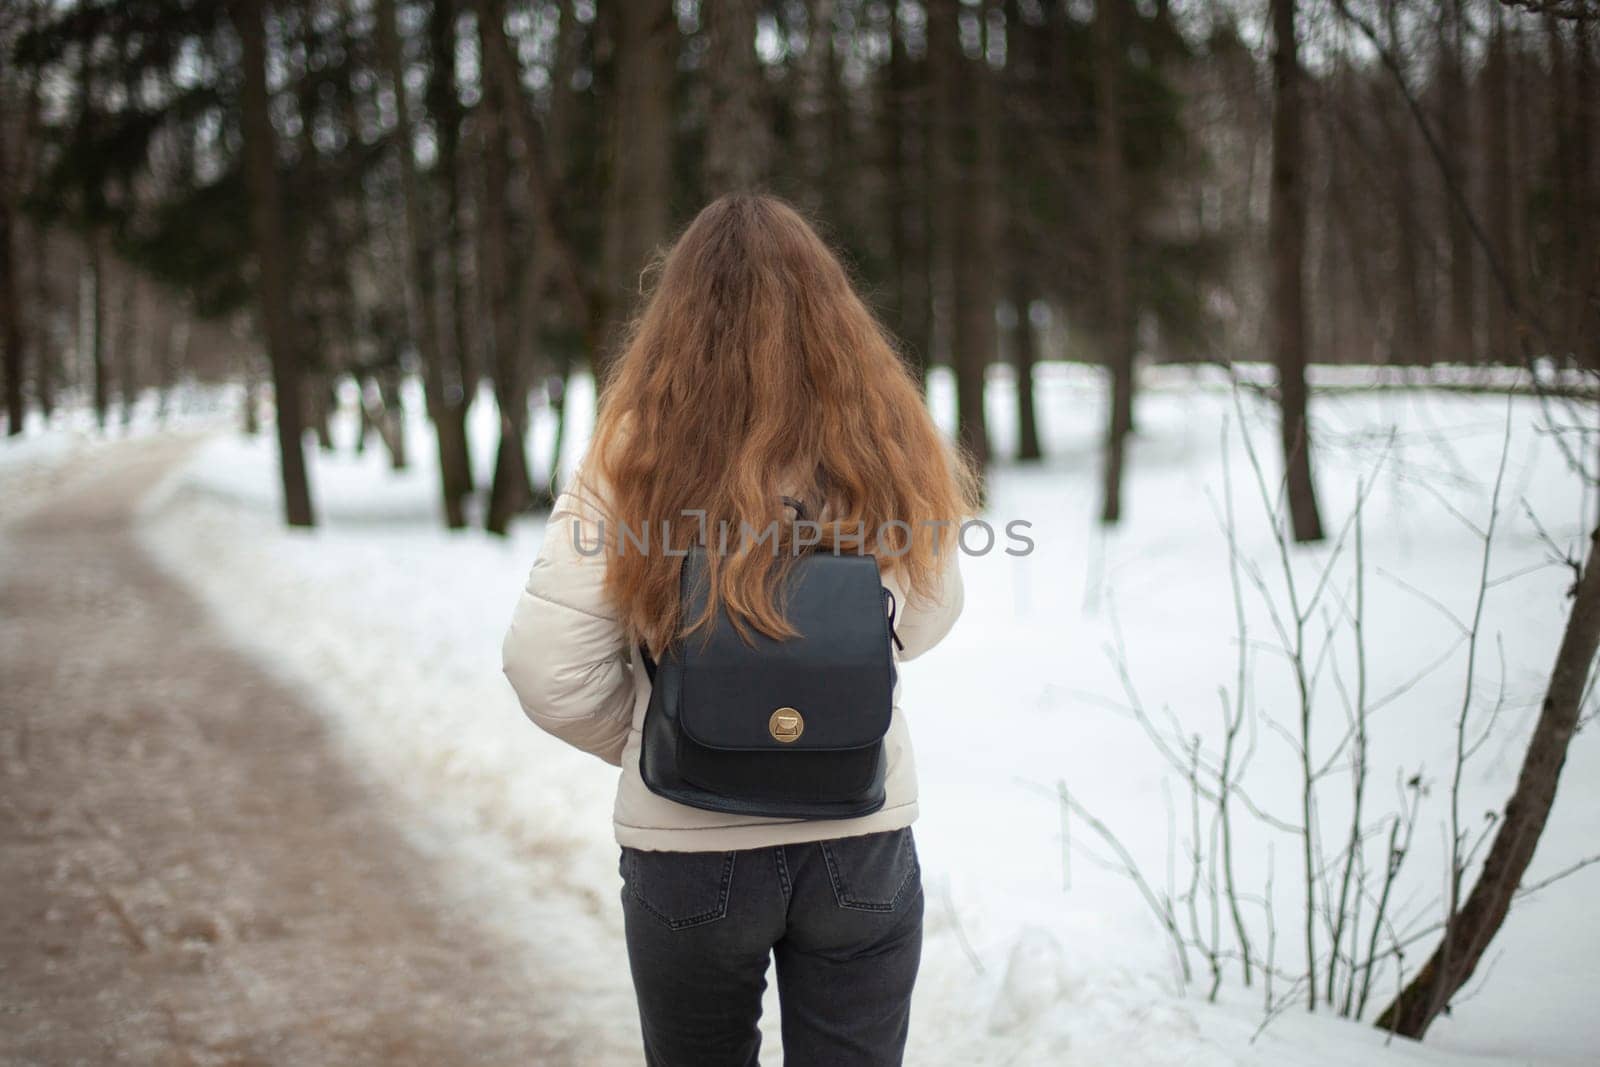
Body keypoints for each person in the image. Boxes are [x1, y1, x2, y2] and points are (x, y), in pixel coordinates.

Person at [501, 193, 974, 1066]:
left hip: (689, 845)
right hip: (856, 831)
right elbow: (933, 605)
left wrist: (684, 731)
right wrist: (826, 694)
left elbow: (545, 667)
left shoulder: (634, 447)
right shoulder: (882, 433)